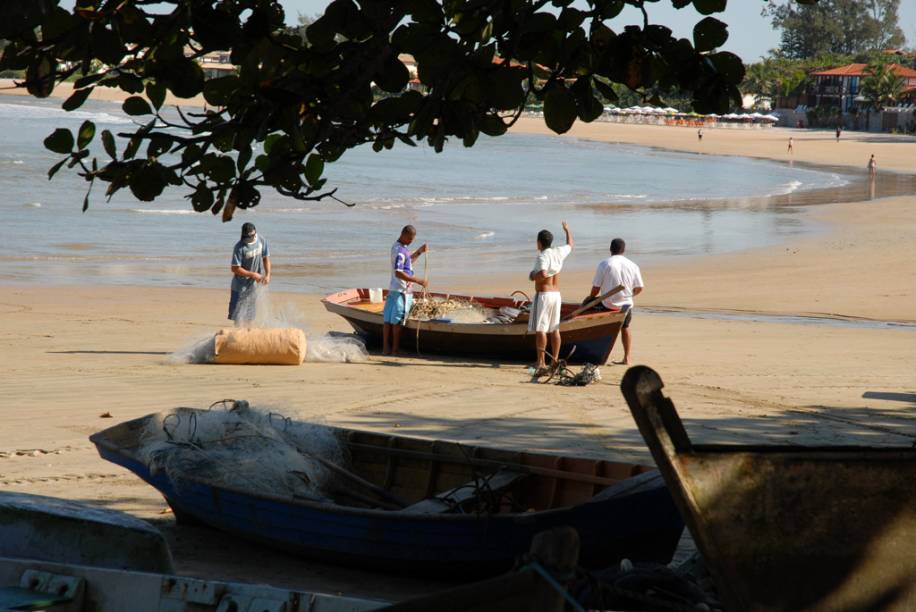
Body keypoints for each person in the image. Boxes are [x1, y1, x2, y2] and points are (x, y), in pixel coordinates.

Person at [587, 238, 644, 365]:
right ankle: (627, 358)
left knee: (595, 322)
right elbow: (640, 288)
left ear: (610, 249)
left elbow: (596, 289)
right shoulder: (633, 265)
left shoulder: (605, 264)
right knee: (625, 327)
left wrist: (590, 298)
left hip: (608, 304)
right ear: (624, 250)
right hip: (626, 305)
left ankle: (594, 353)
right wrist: (629, 295)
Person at [528, 221, 573, 375]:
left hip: (544, 295)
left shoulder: (542, 256)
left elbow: (543, 274)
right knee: (554, 329)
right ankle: (554, 360)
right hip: (556, 295)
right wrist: (567, 230)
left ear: (539, 242)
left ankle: (540, 362)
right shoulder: (558, 251)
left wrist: (532, 275)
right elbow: (570, 244)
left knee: (541, 329)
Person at [382, 225, 428, 356]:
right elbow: (399, 272)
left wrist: (419, 251)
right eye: (409, 239)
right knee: (397, 321)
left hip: (394, 288)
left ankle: (386, 348)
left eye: (412, 240)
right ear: (403, 235)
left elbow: (408, 264)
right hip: (402, 290)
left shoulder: (399, 247)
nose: (410, 241)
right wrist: (418, 281)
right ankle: (394, 350)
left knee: (388, 319)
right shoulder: (401, 251)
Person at [229, 222, 270, 325]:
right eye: (247, 236)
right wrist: (253, 274)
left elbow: (266, 258)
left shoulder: (261, 241)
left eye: (252, 235)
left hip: (254, 286)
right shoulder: (239, 247)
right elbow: (235, 268)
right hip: (239, 287)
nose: (250, 238)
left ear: (255, 233)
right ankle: (238, 336)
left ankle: (248, 334)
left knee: (250, 316)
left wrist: (268, 274)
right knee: (238, 316)